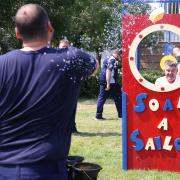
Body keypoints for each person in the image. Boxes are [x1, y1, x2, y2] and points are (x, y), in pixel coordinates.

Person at [0, 4, 97, 180]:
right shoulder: (70, 59)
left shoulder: (2, 64)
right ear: (50, 28)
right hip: (47, 170)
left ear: (17, 33)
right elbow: (94, 66)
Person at [95, 50, 122, 120]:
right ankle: (121, 115)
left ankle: (98, 116)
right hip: (110, 82)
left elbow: (115, 68)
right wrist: (108, 84)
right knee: (118, 98)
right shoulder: (112, 60)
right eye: (120, 55)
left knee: (101, 98)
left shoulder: (108, 58)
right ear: (117, 54)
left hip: (103, 80)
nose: (120, 57)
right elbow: (108, 71)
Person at [59, 39, 78, 133]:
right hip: (58, 88)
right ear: (59, 47)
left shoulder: (72, 58)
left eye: (66, 47)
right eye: (63, 47)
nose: (64, 49)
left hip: (71, 87)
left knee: (72, 107)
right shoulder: (55, 58)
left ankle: (72, 127)